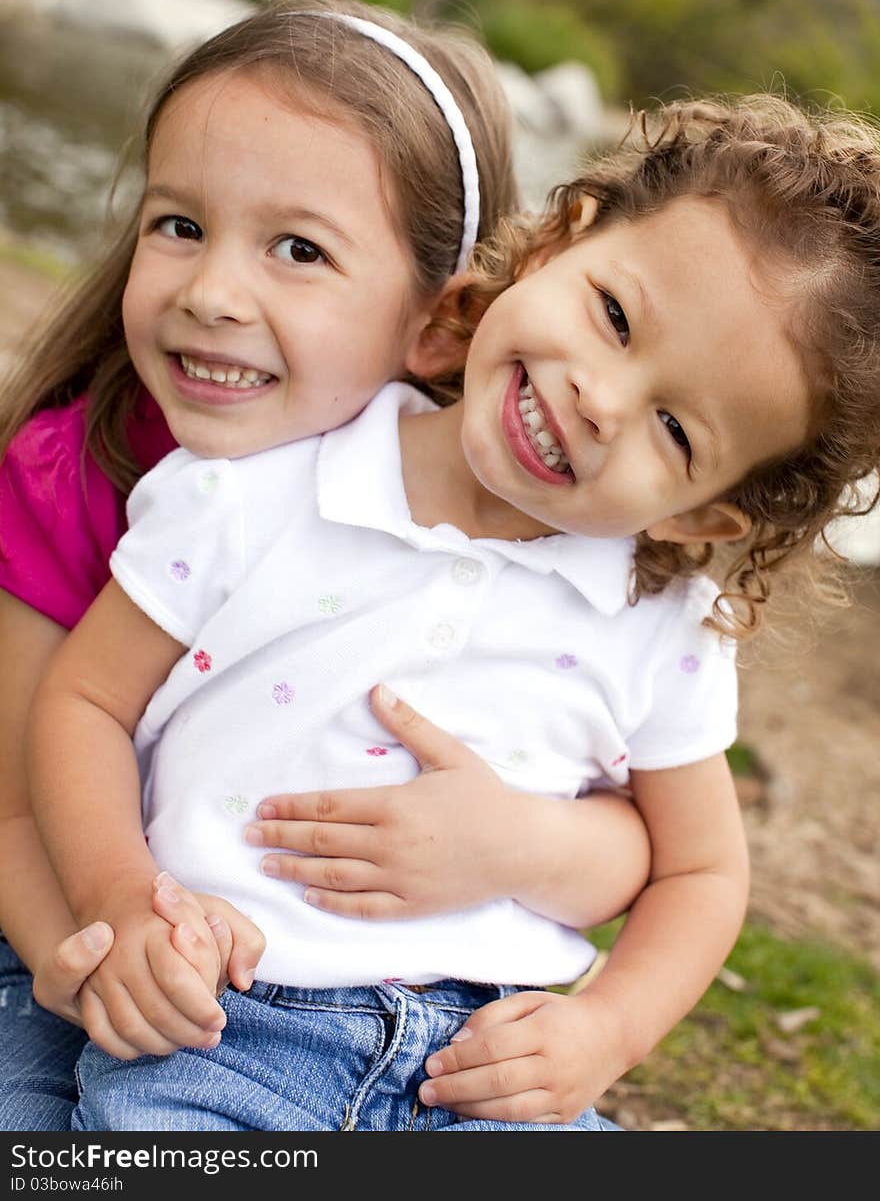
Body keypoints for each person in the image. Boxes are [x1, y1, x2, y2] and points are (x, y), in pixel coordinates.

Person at [28, 91, 880, 1132]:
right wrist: (122, 898)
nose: (599, 400)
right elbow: (82, 701)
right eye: (613, 317)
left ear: (702, 513)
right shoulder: (257, 489)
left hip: (483, 1071)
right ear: (555, 249)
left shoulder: (660, 625)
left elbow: (702, 869)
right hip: (223, 1030)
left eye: (673, 426)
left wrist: (604, 1031)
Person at [0, 0, 650, 1131]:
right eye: (178, 224)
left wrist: (519, 842)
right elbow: (12, 792)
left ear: (439, 324)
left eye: (297, 249)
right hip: (67, 931)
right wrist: (90, 942)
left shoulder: (468, 502)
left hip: (364, 1005)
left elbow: (640, 836)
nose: (211, 292)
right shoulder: (72, 469)